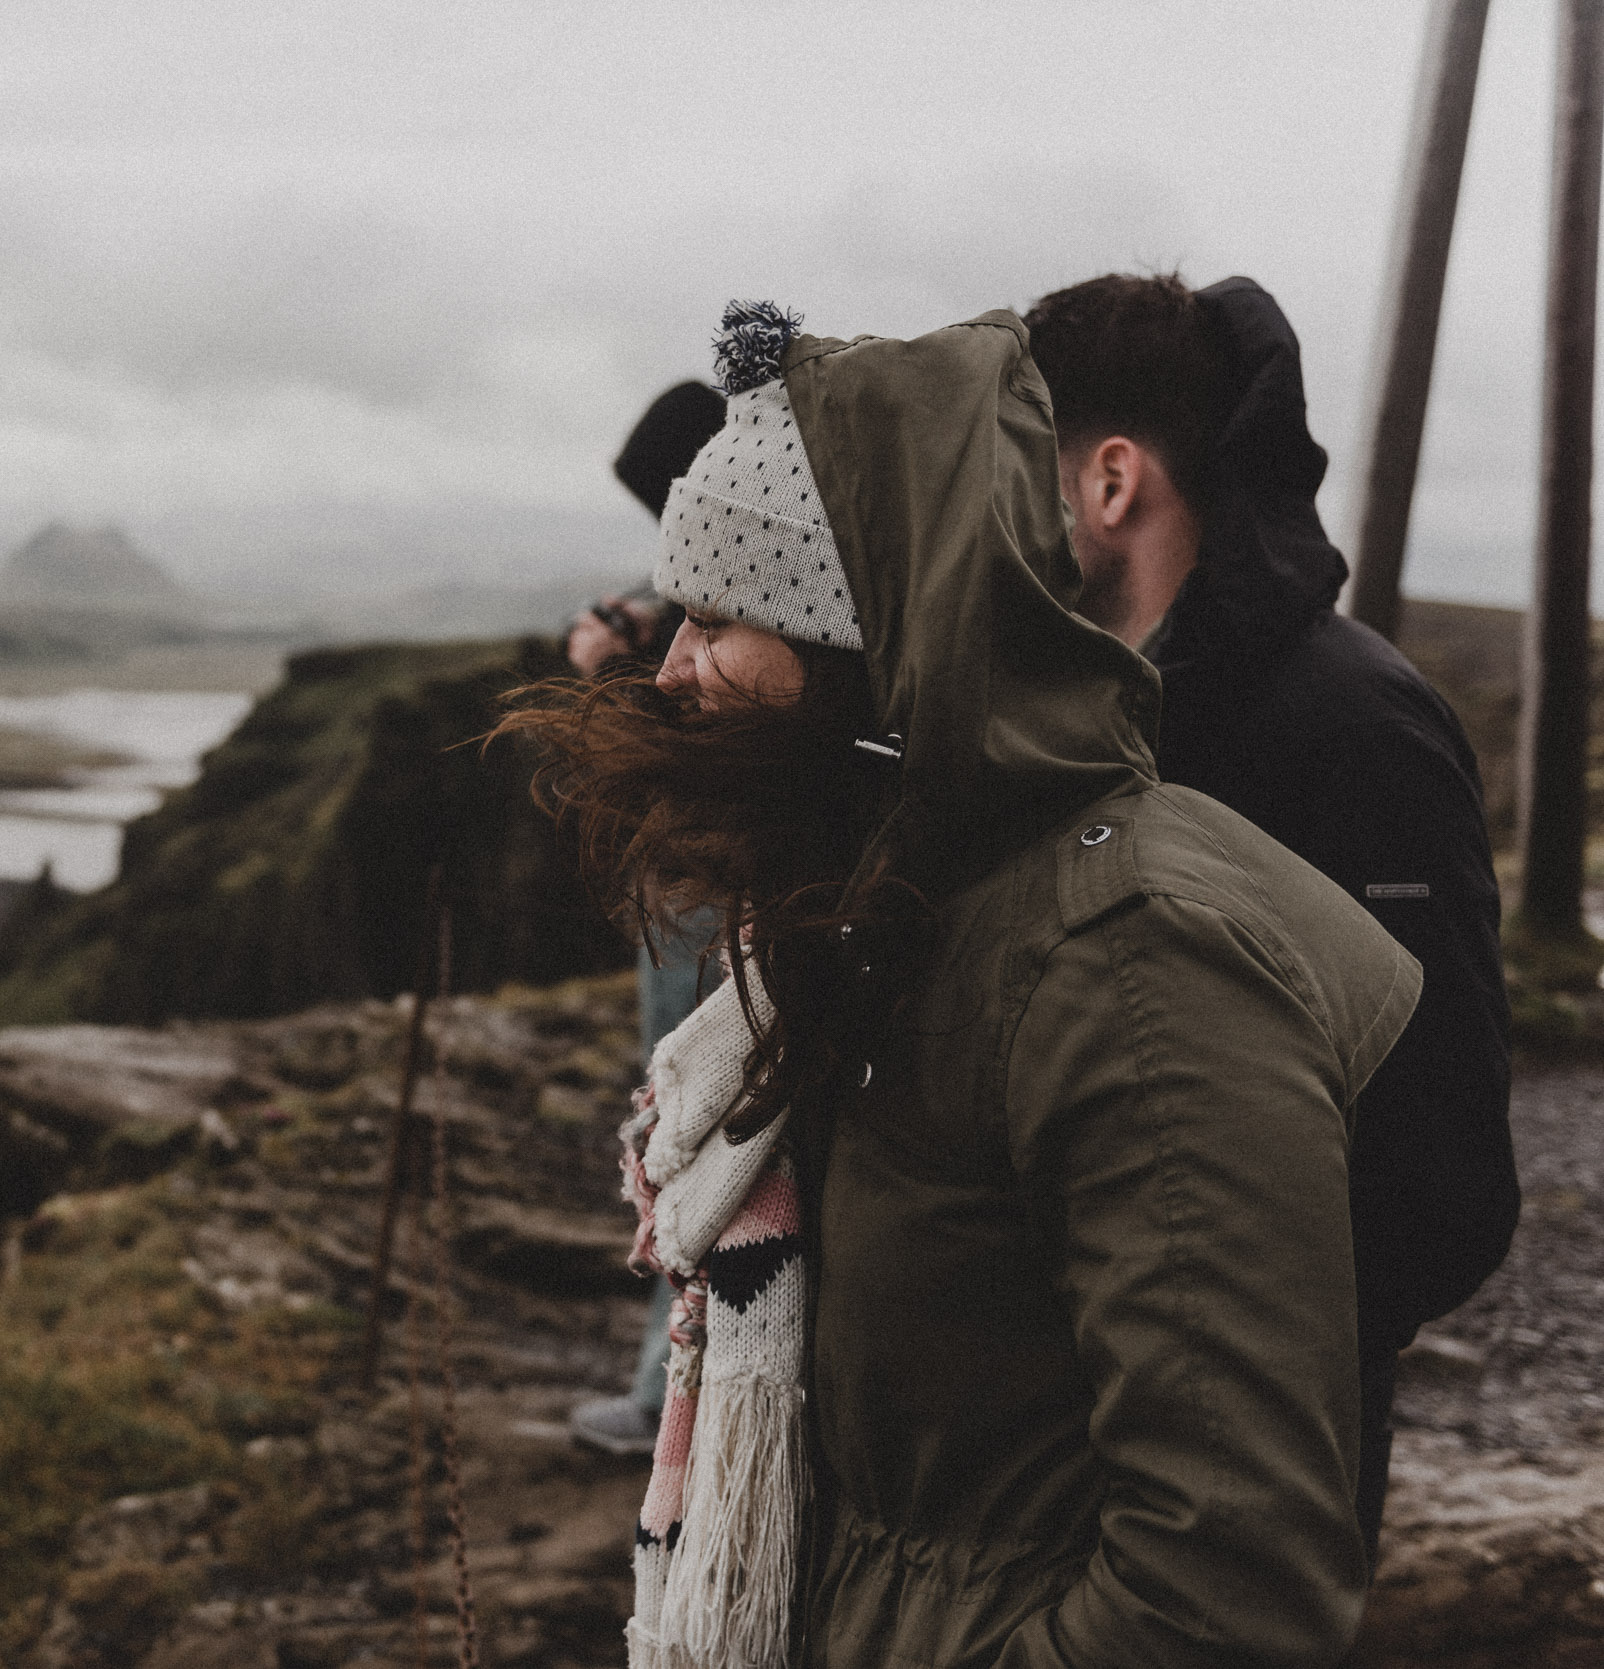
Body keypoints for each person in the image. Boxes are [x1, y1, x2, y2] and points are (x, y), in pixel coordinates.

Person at [505, 301, 1420, 1667]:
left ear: (866, 643)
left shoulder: (1138, 962)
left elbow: (1223, 1589)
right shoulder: (873, 929)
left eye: (718, 619)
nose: (674, 668)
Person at [1023, 272, 1518, 1556]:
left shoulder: (1353, 729)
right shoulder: (1070, 718)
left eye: (1011, 462)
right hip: (1049, 1439)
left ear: (1109, 480)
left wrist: (1231, 1355)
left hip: (1237, 1470)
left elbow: (1441, 1169)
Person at [566, 379, 730, 1457]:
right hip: (701, 875)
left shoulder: (725, 586)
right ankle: (667, 1384)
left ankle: (658, 1395)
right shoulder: (749, 545)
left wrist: (614, 664)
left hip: (698, 872)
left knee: (685, 1115)